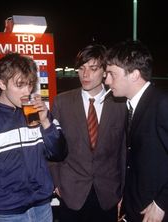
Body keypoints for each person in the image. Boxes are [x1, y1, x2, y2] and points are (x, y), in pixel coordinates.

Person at [0, 52, 67, 222]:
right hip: (6, 213)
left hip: (42, 206)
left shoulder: (38, 112)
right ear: (2, 83)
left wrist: (46, 123)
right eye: (20, 85)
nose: (27, 91)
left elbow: (59, 154)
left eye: (30, 84)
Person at [49, 43, 127, 222]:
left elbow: (123, 150)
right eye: (81, 68)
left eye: (93, 68)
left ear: (105, 72)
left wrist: (123, 190)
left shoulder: (120, 104)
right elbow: (52, 146)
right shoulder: (62, 102)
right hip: (70, 192)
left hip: (107, 193)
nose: (85, 75)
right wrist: (56, 183)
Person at [105, 39, 168, 222]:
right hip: (136, 208)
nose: (107, 80)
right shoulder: (131, 106)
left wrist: (162, 203)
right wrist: (126, 199)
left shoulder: (162, 104)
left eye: (111, 74)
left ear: (134, 74)